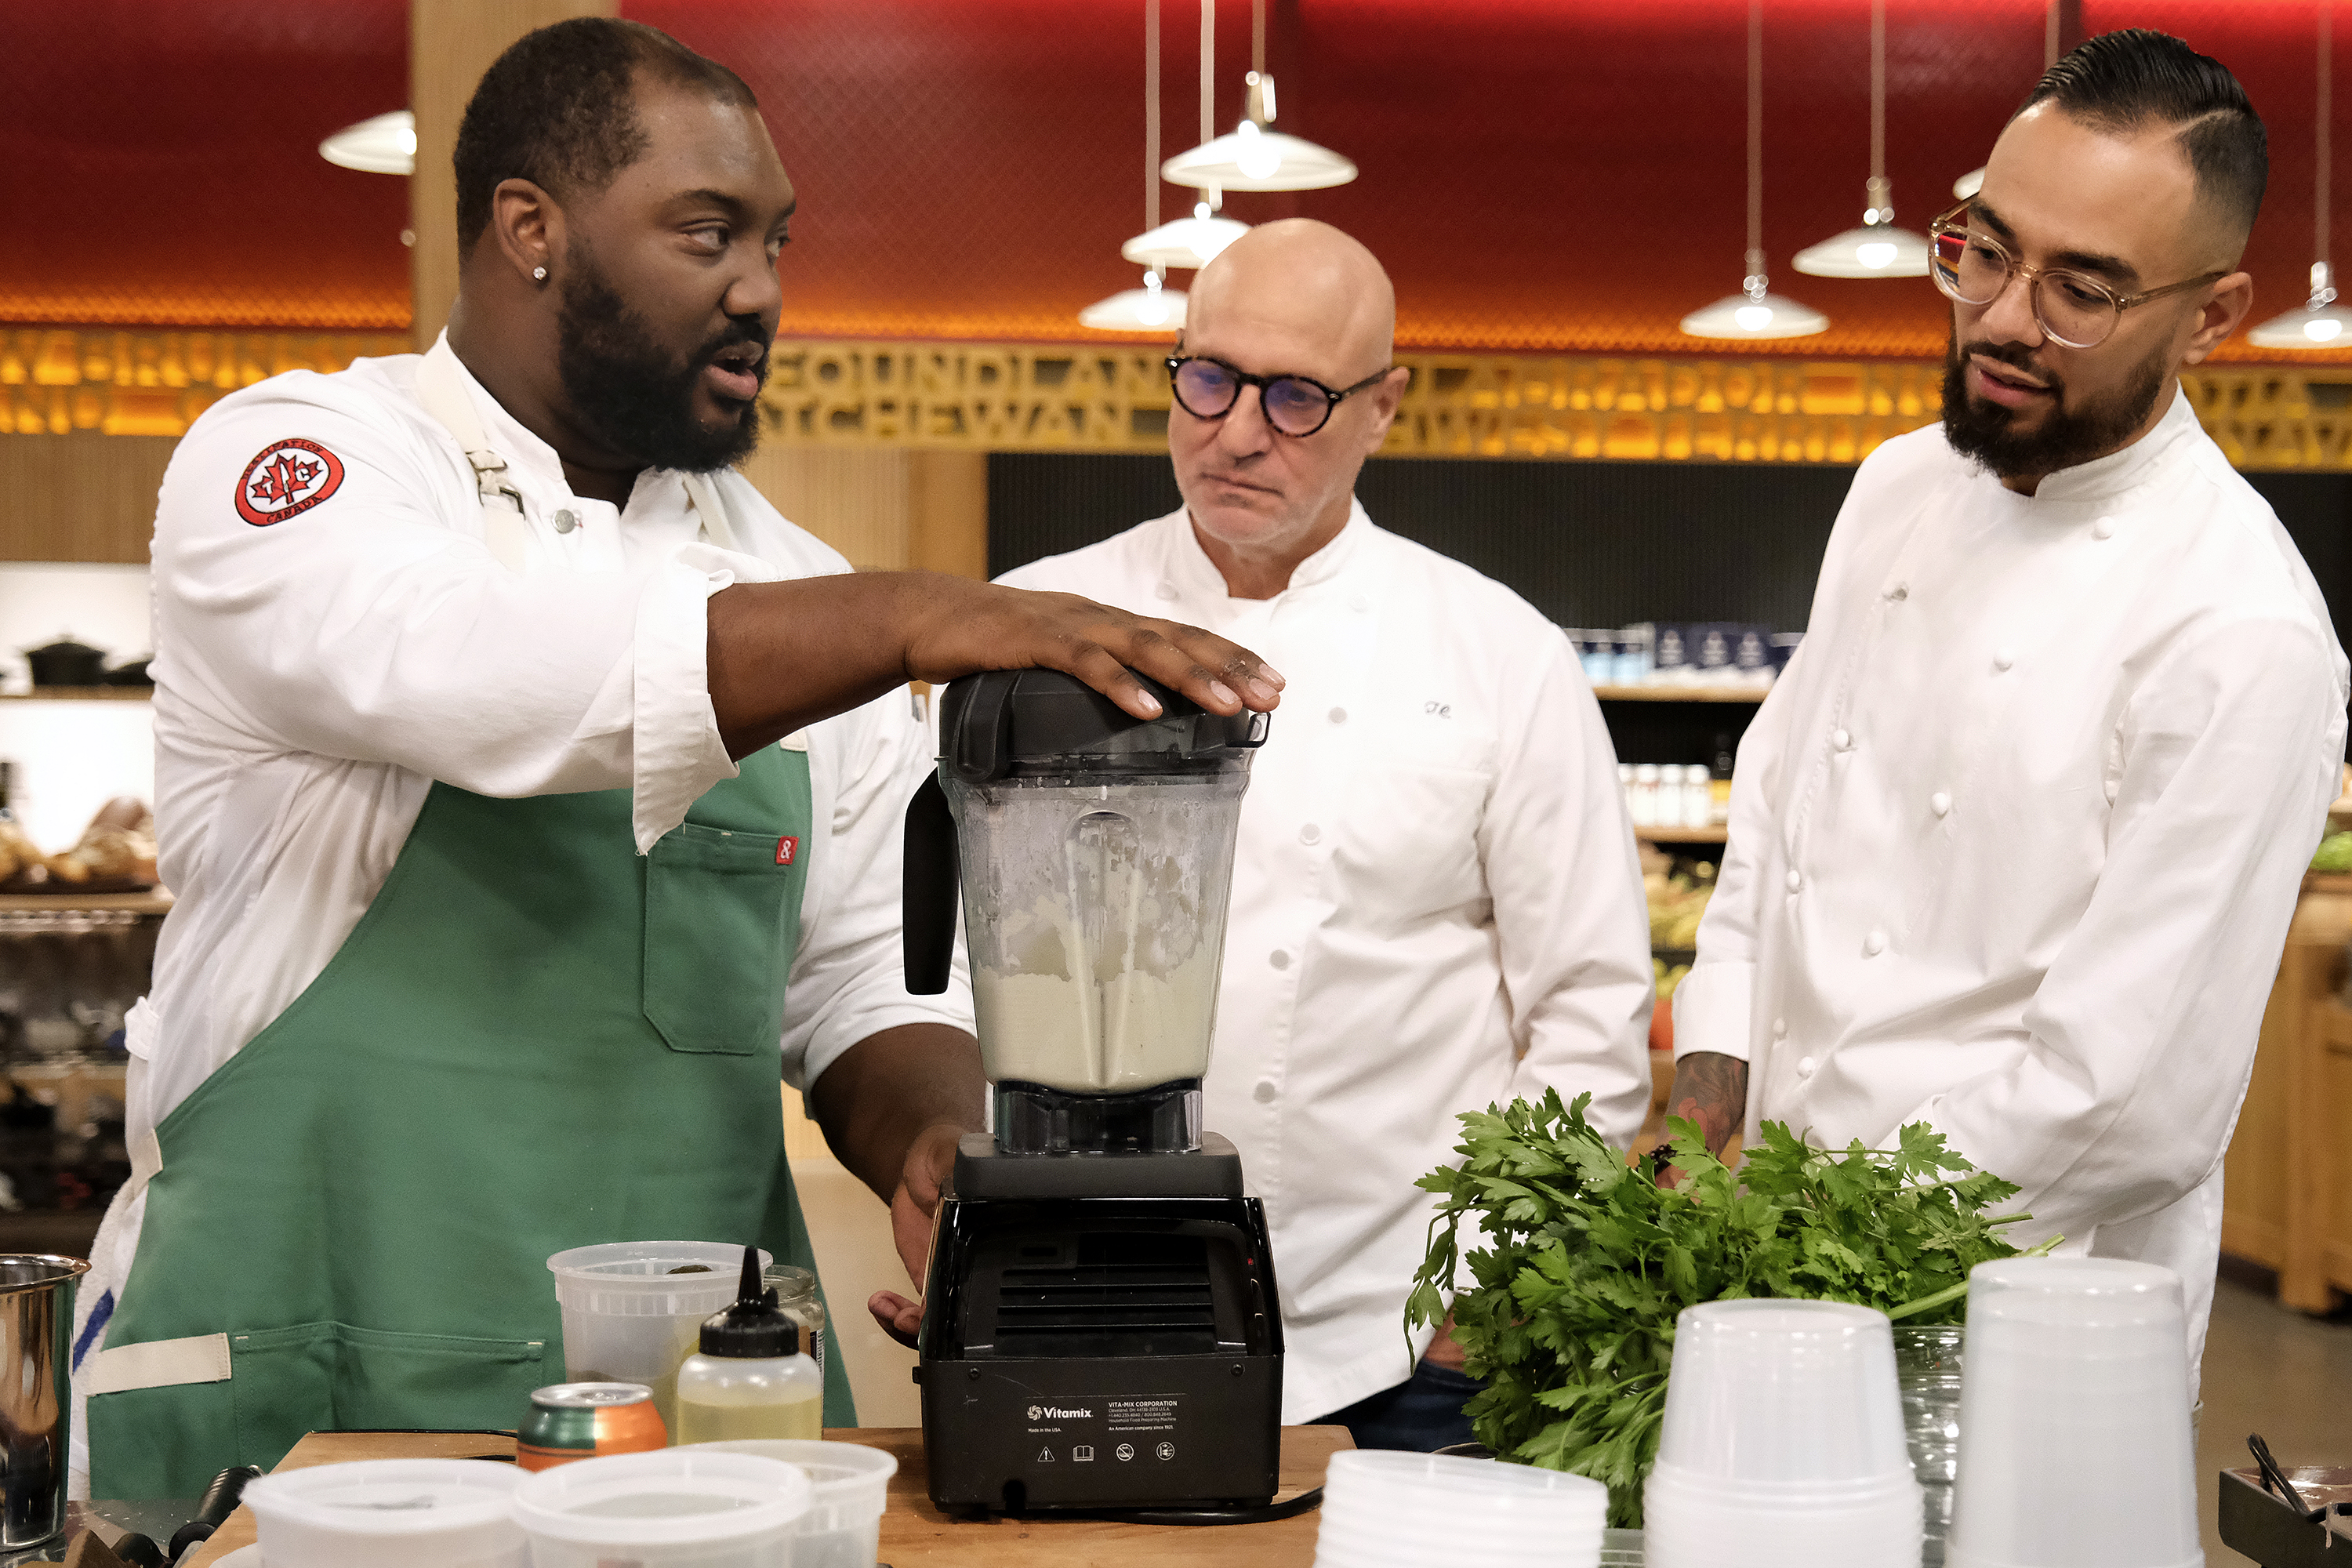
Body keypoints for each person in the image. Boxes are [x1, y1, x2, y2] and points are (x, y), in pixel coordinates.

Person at [69, 17, 1282, 1498]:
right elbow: (490, 669)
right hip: (314, 1396)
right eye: (706, 233)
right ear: (532, 228)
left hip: (707, 1420)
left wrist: (933, 1139)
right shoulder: (304, 465)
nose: (761, 290)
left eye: (776, 241)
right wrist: (917, 610)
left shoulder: (780, 570)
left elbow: (849, 988)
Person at [1671, 30, 2349, 1380]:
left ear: (2212, 317)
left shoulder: (2242, 631)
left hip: (2020, 1329)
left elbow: (2124, 1104)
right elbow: (1775, 830)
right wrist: (1701, 1133)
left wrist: (1802, 1254)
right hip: (1769, 1274)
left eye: (2082, 291)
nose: (2001, 319)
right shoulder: (1897, 489)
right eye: (1987, 251)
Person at [969, 220, 1654, 1447]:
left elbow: (1590, 1015)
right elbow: (950, 965)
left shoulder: (1500, 654)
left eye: (1296, 398)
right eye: (1210, 378)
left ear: (1384, 407)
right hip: (1086, 1300)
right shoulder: (1035, 622)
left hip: (1410, 1340)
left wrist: (1484, 1291)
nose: (1235, 431)